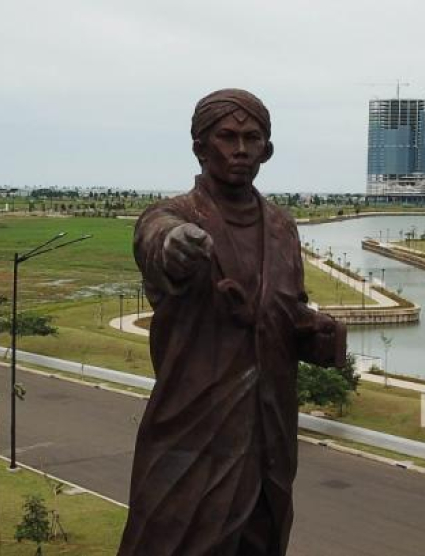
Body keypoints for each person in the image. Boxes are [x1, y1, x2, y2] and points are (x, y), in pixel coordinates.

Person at [118, 89, 346, 556]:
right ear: (200, 146)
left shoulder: (283, 228)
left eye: (252, 138)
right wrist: (174, 245)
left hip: (270, 431)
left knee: (262, 540)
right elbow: (154, 239)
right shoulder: (174, 216)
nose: (240, 149)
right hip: (194, 428)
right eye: (227, 137)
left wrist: (316, 332)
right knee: (169, 538)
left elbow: (282, 313)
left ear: (267, 149)